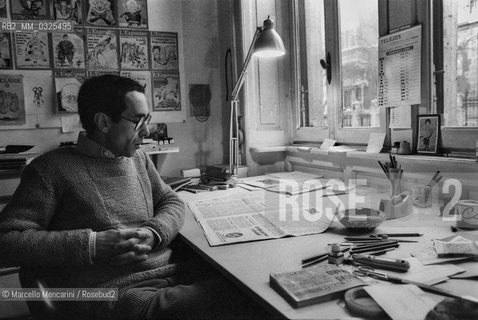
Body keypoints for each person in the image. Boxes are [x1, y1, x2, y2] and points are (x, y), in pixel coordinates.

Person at [0, 75, 267, 320]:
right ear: (104, 122)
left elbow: (171, 201)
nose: (148, 132)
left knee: (255, 280)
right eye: (139, 121)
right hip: (115, 294)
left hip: (169, 272)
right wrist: (92, 244)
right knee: (246, 299)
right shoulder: (50, 170)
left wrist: (154, 232)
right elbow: (7, 242)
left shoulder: (137, 159)